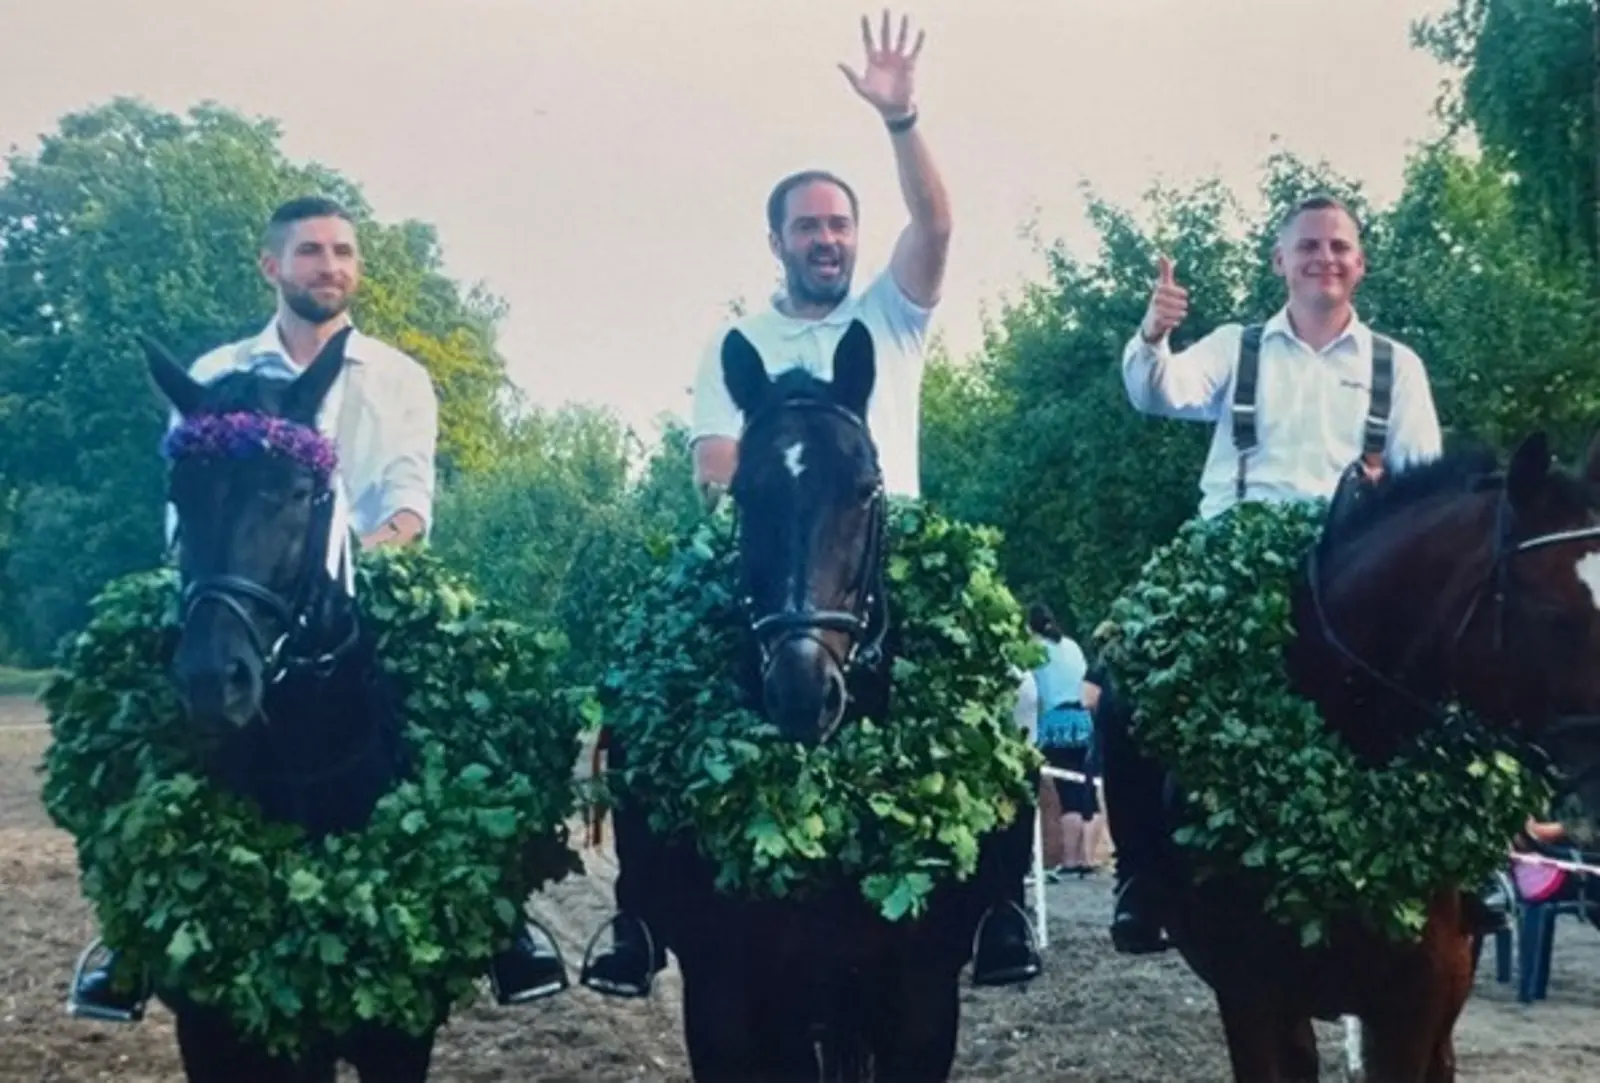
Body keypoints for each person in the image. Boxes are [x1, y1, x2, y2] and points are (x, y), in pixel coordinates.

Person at [579, 10, 1042, 997]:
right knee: (649, 693)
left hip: (896, 545)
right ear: (777, 240)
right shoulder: (734, 341)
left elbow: (941, 224)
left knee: (1003, 692)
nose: (825, 239)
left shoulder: (891, 314)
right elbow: (715, 462)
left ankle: (1006, 908)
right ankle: (639, 915)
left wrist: (901, 118)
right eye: (807, 225)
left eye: (839, 224)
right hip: (762, 544)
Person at [68, 195, 566, 1022]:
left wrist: (354, 563)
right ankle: (128, 926)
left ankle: (504, 917)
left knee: (474, 707)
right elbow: (186, 504)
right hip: (234, 579)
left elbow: (408, 498)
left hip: (369, 580)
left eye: (342, 252)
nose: (329, 266)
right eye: (309, 252)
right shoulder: (217, 369)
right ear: (272, 266)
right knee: (131, 709)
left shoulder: (399, 375)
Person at [1103, 193, 1446, 955]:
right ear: (1280, 261)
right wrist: (1153, 333)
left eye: (1338, 246)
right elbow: (1158, 393)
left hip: (1354, 568)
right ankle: (1143, 876)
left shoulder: (1398, 365)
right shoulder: (1238, 345)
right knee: (1125, 684)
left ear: (1359, 262)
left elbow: (1424, 484)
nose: (1324, 257)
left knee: (1455, 669)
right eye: (1309, 246)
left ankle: (1464, 866)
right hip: (1231, 565)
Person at [1027, 603, 1100, 877]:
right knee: (1088, 789)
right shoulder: (1071, 646)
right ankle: (1088, 858)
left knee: (1067, 794)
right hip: (1082, 721)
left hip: (1057, 724)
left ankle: (1070, 861)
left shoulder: (1035, 651)